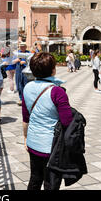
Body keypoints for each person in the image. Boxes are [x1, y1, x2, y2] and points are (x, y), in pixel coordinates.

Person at [22, 52, 73, 190]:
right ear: (52, 69)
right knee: (51, 184)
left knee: (35, 178)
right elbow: (67, 121)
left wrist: (25, 138)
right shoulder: (57, 91)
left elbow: (26, 118)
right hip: (52, 147)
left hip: (33, 142)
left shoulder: (27, 87)